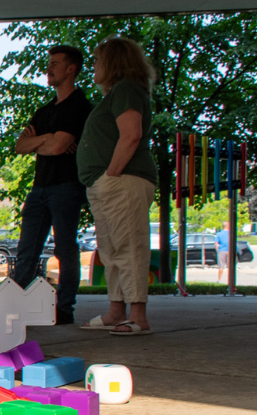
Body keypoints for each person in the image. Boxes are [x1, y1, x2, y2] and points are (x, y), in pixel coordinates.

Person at [76, 37, 157, 336]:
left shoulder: (126, 89)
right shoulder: (117, 94)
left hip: (123, 181)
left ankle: (138, 315)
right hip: (108, 182)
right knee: (111, 250)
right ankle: (116, 311)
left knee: (129, 247)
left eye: (97, 60)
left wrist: (111, 173)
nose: (94, 66)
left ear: (113, 62)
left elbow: (131, 134)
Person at [10, 45, 93, 325]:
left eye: (56, 64)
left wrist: (47, 142)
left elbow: (58, 147)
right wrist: (50, 140)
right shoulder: (45, 110)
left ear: (72, 69)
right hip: (40, 187)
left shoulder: (80, 105)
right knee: (26, 248)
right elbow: (21, 145)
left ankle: (64, 307)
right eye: (50, 64)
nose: (49, 69)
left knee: (65, 247)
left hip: (67, 186)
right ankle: (13, 304)